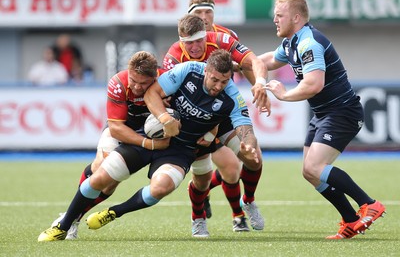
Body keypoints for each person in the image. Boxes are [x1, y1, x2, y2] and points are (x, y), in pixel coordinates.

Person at [38, 49, 261, 241]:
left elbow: (245, 128)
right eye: (215, 80)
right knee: (99, 178)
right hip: (149, 137)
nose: (218, 86)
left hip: (180, 151)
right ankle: (63, 225)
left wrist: (248, 144)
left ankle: (114, 213)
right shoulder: (188, 71)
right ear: (206, 71)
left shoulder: (232, 97)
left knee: (161, 188)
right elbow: (152, 94)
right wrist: (165, 120)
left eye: (224, 82)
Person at [259, 0, 386, 239]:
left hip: (342, 112)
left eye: (279, 15)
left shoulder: (310, 43)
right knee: (309, 172)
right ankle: (350, 220)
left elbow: (313, 84)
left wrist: (283, 96)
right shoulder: (290, 42)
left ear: (296, 18)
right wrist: (236, 62)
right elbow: (267, 60)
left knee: (315, 166)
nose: (274, 19)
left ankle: (369, 203)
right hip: (324, 113)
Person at [44, 52, 167, 240]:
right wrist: (147, 143)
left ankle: (73, 217)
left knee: (109, 185)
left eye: (143, 84)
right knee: (101, 167)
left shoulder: (167, 83)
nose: (136, 86)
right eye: (133, 80)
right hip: (121, 129)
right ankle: (72, 219)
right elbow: (116, 128)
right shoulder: (118, 83)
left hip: (146, 133)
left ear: (154, 78)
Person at [163, 13, 269, 232]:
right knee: (203, 178)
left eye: (199, 40)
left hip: (222, 115)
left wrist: (260, 84)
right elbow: (163, 95)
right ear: (181, 39)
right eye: (188, 42)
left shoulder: (223, 39)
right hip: (193, 120)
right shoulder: (174, 57)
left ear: (206, 29)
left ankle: (246, 202)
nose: (194, 47)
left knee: (253, 158)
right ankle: (199, 216)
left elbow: (254, 62)